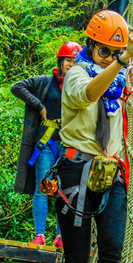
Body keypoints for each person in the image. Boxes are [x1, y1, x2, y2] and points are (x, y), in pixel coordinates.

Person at [55, 10, 133, 263]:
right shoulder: (77, 74)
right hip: (76, 171)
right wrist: (120, 61)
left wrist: (125, 63)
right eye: (102, 51)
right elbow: (90, 94)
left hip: (111, 172)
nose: (107, 57)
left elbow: (115, 92)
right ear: (90, 46)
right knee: (77, 262)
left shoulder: (118, 79)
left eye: (113, 52)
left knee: (113, 250)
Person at [11, 41, 82, 248]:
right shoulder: (46, 82)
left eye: (75, 61)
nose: (71, 64)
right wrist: (38, 105)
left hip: (69, 144)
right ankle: (39, 234)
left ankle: (61, 237)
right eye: (68, 60)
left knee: (64, 190)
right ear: (61, 61)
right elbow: (18, 87)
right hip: (47, 142)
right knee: (42, 188)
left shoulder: (79, 86)